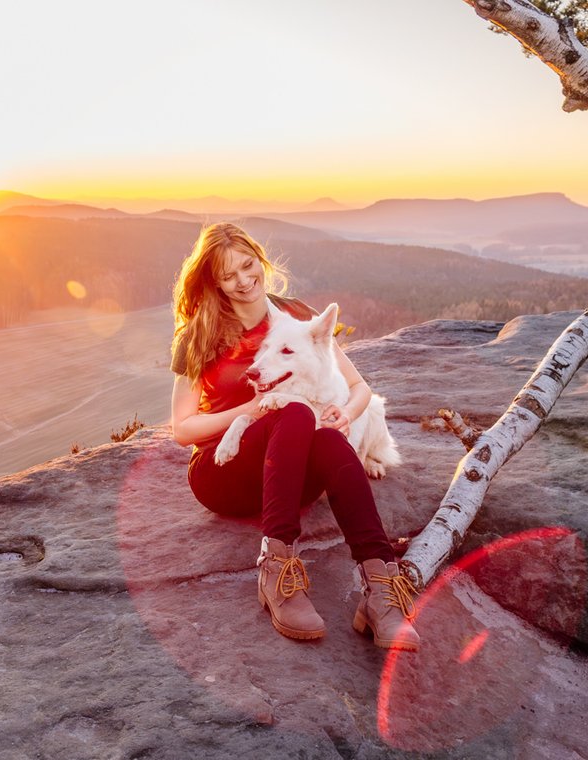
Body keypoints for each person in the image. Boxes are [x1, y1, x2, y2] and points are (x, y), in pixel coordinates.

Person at [169, 222, 419, 650]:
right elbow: (181, 429)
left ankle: (379, 586)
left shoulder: (298, 317)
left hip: (291, 479)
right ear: (214, 281)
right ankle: (277, 570)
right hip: (225, 474)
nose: (244, 281)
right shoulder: (199, 332)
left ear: (259, 259)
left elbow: (359, 388)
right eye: (229, 275)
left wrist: (345, 415)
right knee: (299, 413)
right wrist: (247, 411)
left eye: (248, 266)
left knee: (325, 435)